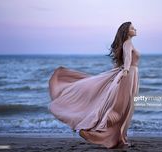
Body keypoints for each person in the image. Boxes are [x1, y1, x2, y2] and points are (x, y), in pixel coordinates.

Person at [48, 21, 140, 149]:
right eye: (132, 28)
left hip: (129, 75)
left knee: (123, 109)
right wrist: (125, 71)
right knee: (123, 109)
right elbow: (128, 60)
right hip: (129, 76)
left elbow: (124, 61)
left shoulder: (127, 43)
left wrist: (122, 71)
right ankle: (106, 135)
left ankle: (118, 138)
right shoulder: (128, 43)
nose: (135, 29)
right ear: (126, 31)